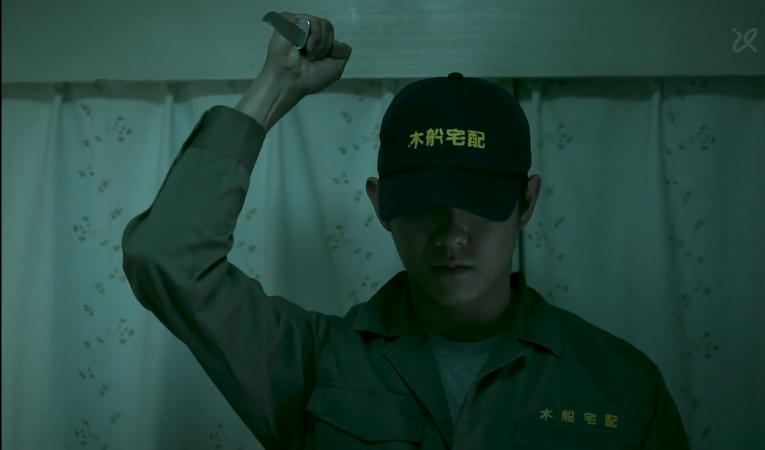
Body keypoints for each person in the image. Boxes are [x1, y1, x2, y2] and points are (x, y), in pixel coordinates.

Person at [122, 12, 689, 449]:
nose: (452, 234)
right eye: (423, 205)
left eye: (478, 204)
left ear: (526, 202)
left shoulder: (621, 384)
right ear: (381, 205)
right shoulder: (316, 363)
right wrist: (274, 87)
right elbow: (165, 257)